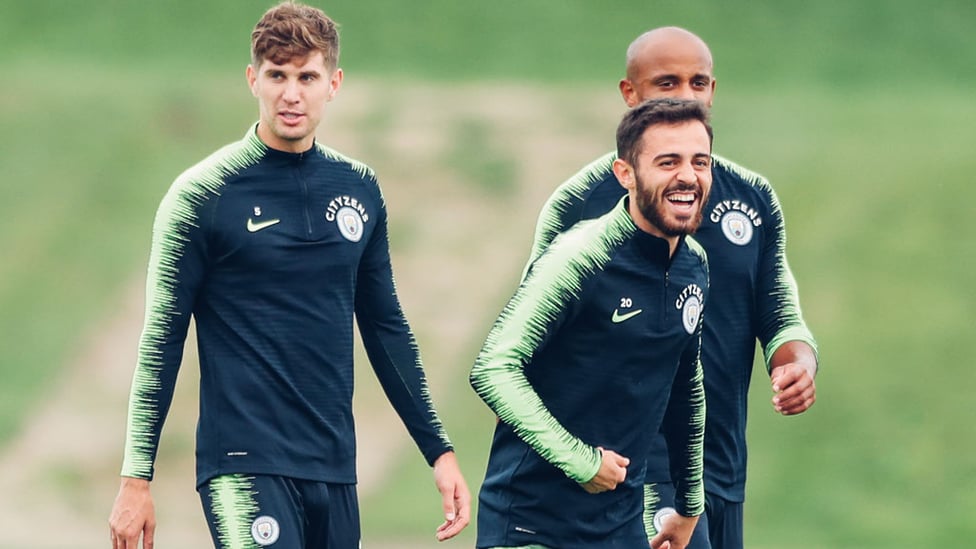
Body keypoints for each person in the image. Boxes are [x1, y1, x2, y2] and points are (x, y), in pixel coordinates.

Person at [107, 2, 470, 548]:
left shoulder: (360, 189)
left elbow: (386, 329)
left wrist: (439, 453)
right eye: (277, 76)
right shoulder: (202, 195)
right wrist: (136, 477)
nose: (291, 94)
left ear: (334, 83)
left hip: (334, 466)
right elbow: (161, 340)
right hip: (243, 465)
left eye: (307, 76)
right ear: (253, 79)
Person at [524, 27, 819, 549]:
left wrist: (796, 364)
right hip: (632, 470)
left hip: (720, 465)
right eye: (667, 83)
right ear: (629, 95)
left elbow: (778, 310)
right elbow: (533, 346)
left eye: (698, 82)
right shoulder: (578, 203)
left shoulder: (752, 196)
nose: (686, 95)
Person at [470, 98, 714, 549]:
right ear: (626, 174)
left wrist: (689, 504)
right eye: (668, 162)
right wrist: (580, 462)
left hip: (619, 526)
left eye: (700, 162)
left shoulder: (693, 266)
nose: (688, 176)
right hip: (531, 523)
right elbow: (494, 367)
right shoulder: (581, 256)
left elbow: (685, 387)